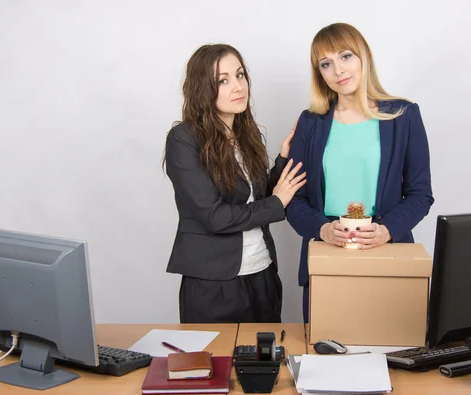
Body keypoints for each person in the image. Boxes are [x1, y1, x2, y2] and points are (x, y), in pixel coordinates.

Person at [286, 23, 434, 322]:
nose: (338, 70)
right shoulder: (310, 122)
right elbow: (293, 199)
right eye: (326, 64)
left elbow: (420, 194)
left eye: (345, 56)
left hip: (388, 253)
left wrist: (386, 230)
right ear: (320, 74)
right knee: (326, 355)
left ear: (363, 57)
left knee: (393, 355)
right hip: (327, 254)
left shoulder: (403, 115)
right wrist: (323, 229)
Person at [163, 44, 306, 323]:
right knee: (216, 366)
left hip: (262, 273)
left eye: (240, 75)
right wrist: (277, 203)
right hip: (214, 284)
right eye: (223, 80)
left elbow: (258, 197)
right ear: (201, 88)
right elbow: (215, 217)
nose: (238, 86)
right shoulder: (183, 139)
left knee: (264, 366)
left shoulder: (246, 135)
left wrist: (282, 160)